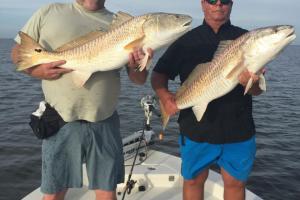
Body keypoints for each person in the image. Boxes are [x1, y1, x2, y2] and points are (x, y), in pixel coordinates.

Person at [11, 0, 153, 200]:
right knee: (53, 194)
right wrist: (35, 70)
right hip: (61, 120)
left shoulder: (120, 23)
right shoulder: (49, 12)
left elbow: (138, 80)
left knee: (107, 193)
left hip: (105, 120)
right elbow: (18, 52)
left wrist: (140, 65)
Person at [151, 0, 265, 200]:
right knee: (193, 180)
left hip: (238, 128)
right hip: (196, 127)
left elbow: (256, 91)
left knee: (236, 183)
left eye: (225, 0)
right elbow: (159, 74)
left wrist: (252, 82)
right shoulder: (185, 41)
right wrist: (165, 97)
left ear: (232, 4)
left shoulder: (247, 39)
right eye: (212, 0)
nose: (218, 4)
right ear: (203, 3)